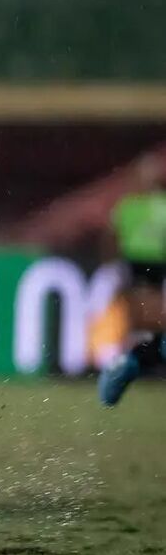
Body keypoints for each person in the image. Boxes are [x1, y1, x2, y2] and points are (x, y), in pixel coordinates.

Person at [98, 154, 166, 405]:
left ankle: (132, 360)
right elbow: (112, 234)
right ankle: (133, 361)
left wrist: (111, 263)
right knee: (144, 318)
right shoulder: (147, 206)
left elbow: (110, 234)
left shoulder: (127, 206)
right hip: (149, 262)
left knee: (140, 318)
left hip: (138, 263)